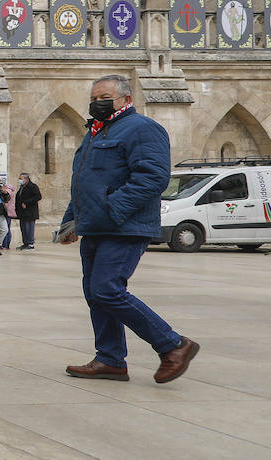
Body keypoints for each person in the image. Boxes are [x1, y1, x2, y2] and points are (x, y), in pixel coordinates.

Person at [58, 75, 199, 384]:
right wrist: (71, 222)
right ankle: (110, 359)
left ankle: (173, 345)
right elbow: (84, 184)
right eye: (94, 97)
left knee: (107, 289)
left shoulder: (143, 129)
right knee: (95, 294)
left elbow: (153, 177)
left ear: (126, 99)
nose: (97, 102)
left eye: (104, 96)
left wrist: (114, 208)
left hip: (124, 226)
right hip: (96, 226)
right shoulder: (95, 132)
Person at [15, 172, 42, 250]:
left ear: (26, 179)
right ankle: (25, 243)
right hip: (22, 212)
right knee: (23, 228)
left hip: (30, 212)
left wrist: (26, 202)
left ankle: (30, 243)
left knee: (29, 228)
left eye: (21, 178)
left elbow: (38, 196)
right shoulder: (22, 187)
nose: (19, 180)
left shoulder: (32, 186)